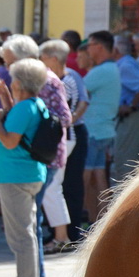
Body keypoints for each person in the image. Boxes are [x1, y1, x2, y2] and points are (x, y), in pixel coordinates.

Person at [0, 58, 53, 277]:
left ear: (21, 82)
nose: (10, 80)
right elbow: (18, 121)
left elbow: (10, 141)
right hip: (28, 174)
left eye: (13, 77)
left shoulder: (26, 107)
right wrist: (5, 97)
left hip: (15, 176)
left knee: (20, 235)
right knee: (27, 231)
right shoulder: (33, 104)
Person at [44, 39, 89, 235]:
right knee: (59, 186)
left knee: (62, 186)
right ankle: (60, 232)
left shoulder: (67, 79)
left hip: (69, 135)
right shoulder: (60, 79)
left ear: (53, 59)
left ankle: (67, 233)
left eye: (43, 57)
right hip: (66, 134)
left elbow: (80, 104)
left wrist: (69, 121)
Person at [81, 31, 121, 216]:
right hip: (103, 130)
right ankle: (99, 219)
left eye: (89, 45)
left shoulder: (100, 71)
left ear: (98, 46)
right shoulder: (110, 69)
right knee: (98, 177)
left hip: (93, 131)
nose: (87, 49)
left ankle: (79, 218)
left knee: (85, 178)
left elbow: (76, 93)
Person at [111, 32, 139, 185]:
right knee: (122, 157)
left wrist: (131, 106)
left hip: (132, 116)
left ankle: (124, 198)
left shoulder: (126, 64)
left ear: (116, 50)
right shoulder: (124, 63)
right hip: (130, 115)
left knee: (125, 158)